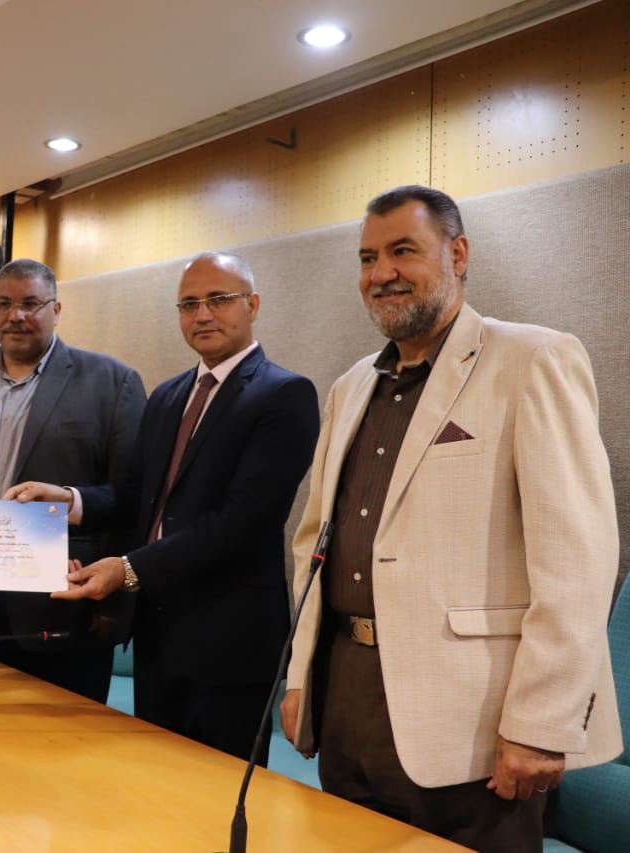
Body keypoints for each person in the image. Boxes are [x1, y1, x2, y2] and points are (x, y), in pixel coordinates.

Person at [278, 185, 621, 853]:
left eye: (403, 251)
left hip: (474, 720)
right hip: (346, 695)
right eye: (368, 258)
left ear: (458, 254)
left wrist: (541, 722)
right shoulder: (351, 386)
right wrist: (301, 677)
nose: (382, 273)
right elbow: (312, 542)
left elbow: (576, 560)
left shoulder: (533, 359)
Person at [11, 252, 319, 765]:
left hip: (229, 644)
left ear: (253, 305)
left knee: (218, 797)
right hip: (156, 635)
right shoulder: (168, 395)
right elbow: (136, 497)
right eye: (189, 304)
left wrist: (128, 568)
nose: (203, 314)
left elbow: (243, 520)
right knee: (157, 789)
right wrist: (70, 500)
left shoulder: (284, 394)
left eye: (219, 300)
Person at [0, 258, 146, 701]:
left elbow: (133, 501)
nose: (16, 315)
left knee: (64, 739)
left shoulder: (113, 383)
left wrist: (114, 603)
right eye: (4, 304)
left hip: (62, 611)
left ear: (56, 309)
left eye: (31, 304)